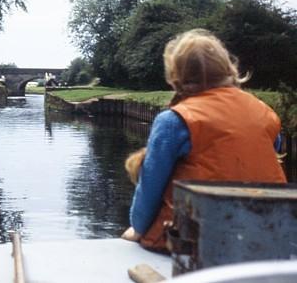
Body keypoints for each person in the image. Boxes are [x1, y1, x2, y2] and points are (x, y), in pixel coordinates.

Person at [121, 29, 287, 252]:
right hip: (265, 234)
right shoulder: (264, 113)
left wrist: (137, 228)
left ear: (176, 77)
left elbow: (150, 186)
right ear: (228, 68)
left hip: (195, 241)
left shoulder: (173, 121)